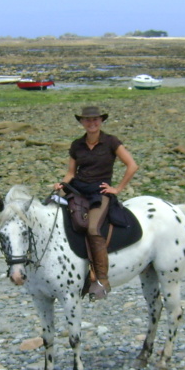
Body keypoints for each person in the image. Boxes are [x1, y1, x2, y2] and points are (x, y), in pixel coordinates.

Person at [54, 105, 139, 299]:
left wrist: (117, 188)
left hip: (99, 192)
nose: (92, 123)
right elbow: (70, 173)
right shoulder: (77, 145)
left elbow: (132, 165)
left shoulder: (111, 142)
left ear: (101, 121)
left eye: (95, 120)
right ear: (82, 122)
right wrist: (61, 185)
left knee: (92, 228)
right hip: (78, 187)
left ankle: (101, 279)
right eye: (87, 120)